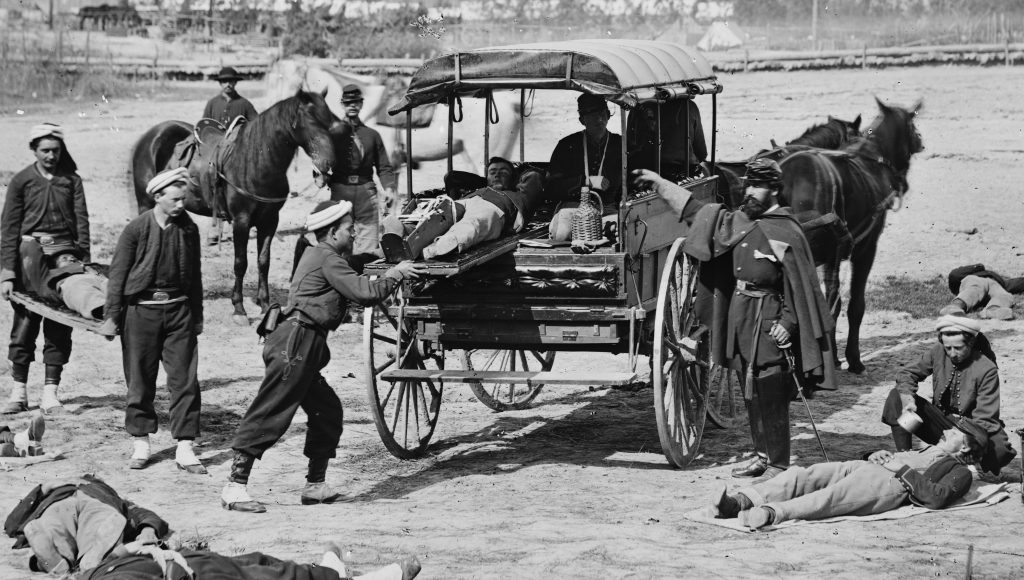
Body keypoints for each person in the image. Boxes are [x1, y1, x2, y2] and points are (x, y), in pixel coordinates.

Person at [633, 158, 836, 480]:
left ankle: (778, 463)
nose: (750, 192)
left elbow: (801, 288)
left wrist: (788, 323)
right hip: (741, 319)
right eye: (748, 185)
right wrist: (659, 183)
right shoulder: (737, 222)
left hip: (768, 321)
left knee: (770, 390)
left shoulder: (786, 231)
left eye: (758, 186)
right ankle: (760, 455)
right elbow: (695, 210)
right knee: (749, 391)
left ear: (774, 189)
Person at [222, 200, 425, 513]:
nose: (353, 231)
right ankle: (235, 488)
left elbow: (354, 267)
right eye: (347, 228)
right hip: (296, 344)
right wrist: (397, 273)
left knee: (327, 411)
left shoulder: (323, 255)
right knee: (270, 411)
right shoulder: (327, 257)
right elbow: (365, 293)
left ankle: (315, 485)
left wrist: (380, 261)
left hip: (304, 344)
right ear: (332, 232)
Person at [707, 417, 988, 529]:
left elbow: (937, 497)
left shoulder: (959, 471)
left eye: (953, 433)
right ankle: (739, 502)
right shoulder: (927, 450)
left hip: (890, 485)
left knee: (830, 497)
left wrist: (899, 469)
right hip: (871, 468)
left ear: (964, 448)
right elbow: (895, 458)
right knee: (805, 474)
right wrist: (874, 454)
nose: (945, 431)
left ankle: (770, 513)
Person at [104, 167, 206, 474]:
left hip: (179, 312)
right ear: (157, 197)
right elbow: (118, 275)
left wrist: (197, 316)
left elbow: (196, 276)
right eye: (175, 199)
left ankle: (185, 447)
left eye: (183, 199)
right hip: (141, 312)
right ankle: (141, 443)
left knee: (185, 379)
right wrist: (112, 316)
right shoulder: (136, 229)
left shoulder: (188, 229)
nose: (181, 205)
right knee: (140, 378)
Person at [1, 123, 91, 415]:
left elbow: (82, 223)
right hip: (29, 258)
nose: (51, 156)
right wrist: (7, 273)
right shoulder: (22, 181)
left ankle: (51, 392)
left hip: (64, 256)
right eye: (45, 150)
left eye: (55, 150)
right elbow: (9, 229)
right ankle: (19, 391)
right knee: (26, 321)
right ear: (34, 150)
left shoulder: (71, 180)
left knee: (60, 320)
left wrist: (84, 262)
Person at [881, 314, 1016, 475]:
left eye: (958, 348)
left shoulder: (987, 369)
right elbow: (907, 374)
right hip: (942, 425)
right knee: (896, 396)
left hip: (973, 429)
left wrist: (964, 441)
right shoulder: (938, 351)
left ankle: (965, 464)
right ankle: (905, 457)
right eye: (948, 348)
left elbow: (985, 418)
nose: (952, 353)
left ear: (971, 342)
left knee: (998, 450)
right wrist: (908, 401)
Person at [380, 157, 545, 261]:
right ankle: (404, 232)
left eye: (504, 172)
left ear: (513, 177)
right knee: (439, 217)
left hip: (495, 207)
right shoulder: (478, 189)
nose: (497, 175)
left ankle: (436, 249)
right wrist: (482, 181)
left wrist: (518, 172)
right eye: (492, 172)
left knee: (473, 223)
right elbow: (453, 177)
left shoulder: (517, 196)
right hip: (466, 202)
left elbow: (534, 177)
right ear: (486, 177)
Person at [4, 474, 169, 575]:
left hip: (96, 503)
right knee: (52, 523)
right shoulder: (54, 490)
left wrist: (148, 528)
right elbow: (12, 523)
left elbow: (145, 514)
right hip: (61, 501)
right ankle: (61, 558)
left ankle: (78, 558)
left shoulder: (115, 498)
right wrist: (42, 489)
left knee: (101, 521)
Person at [328, 84, 399, 270]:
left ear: (361, 105)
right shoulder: (332, 135)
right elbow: (322, 164)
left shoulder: (372, 135)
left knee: (368, 243)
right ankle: (342, 284)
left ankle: (363, 286)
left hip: (366, 194)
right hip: (340, 192)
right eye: (348, 102)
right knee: (339, 240)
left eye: (356, 102)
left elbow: (384, 166)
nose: (352, 105)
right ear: (342, 105)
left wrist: (389, 188)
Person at [547, 94, 624, 241]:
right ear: (582, 120)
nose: (599, 119)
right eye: (593, 115)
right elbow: (551, 187)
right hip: (573, 206)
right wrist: (585, 181)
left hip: (606, 207)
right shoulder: (566, 145)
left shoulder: (620, 144)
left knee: (620, 235)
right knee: (561, 235)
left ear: (608, 115)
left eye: (602, 114)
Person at [201, 66, 259, 246]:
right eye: (224, 81)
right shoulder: (212, 103)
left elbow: (256, 126)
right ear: (220, 83)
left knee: (241, 186)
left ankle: (238, 225)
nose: (228, 84)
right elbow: (205, 126)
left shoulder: (244, 104)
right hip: (216, 151)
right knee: (212, 180)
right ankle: (215, 226)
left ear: (235, 83)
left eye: (231, 81)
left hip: (236, 151)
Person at [627, 99, 708, 181]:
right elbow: (701, 152)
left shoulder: (639, 107)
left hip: (650, 170)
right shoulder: (689, 105)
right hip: (686, 170)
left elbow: (630, 144)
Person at [940, 263, 1024, 320]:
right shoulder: (973, 273)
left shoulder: (1001, 281)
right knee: (974, 289)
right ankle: (955, 306)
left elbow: (1017, 283)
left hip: (995, 285)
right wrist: (978, 267)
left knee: (1005, 295)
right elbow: (954, 275)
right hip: (976, 280)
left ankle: (993, 310)